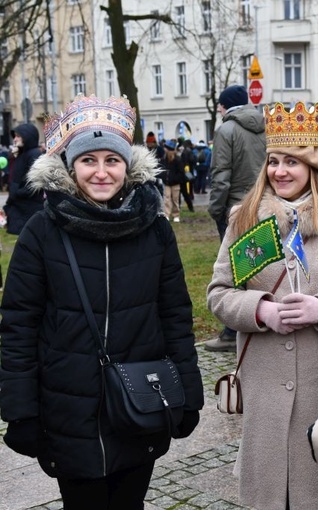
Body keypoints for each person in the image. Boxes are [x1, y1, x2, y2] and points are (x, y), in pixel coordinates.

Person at [0, 95, 204, 509]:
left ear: (127, 165)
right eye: (88, 160)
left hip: (139, 402)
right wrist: (20, 409)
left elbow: (175, 315)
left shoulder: (154, 228)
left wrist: (189, 393)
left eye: (112, 159)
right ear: (71, 167)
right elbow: (18, 324)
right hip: (68, 408)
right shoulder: (41, 232)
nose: (101, 171)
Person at [206, 101, 318, 510]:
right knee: (269, 496)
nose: (279, 171)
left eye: (292, 163)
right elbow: (219, 293)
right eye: (273, 161)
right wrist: (260, 309)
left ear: (314, 168)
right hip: (264, 381)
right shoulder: (244, 220)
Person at [206, 84, 267, 352]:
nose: (218, 109)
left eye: (220, 104)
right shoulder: (265, 127)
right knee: (260, 263)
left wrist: (216, 209)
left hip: (235, 206)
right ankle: (260, 318)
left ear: (225, 105)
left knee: (235, 267)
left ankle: (233, 330)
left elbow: (221, 174)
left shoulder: (226, 130)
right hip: (265, 203)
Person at [4, 123, 44, 235]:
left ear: (28, 136)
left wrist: (18, 193)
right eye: (15, 136)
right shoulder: (22, 154)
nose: (15, 139)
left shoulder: (34, 154)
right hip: (21, 206)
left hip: (29, 207)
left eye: (18, 136)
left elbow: (36, 182)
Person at [161, 139, 185, 223]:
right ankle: (166, 214)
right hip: (166, 183)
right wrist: (164, 177)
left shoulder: (177, 160)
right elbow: (162, 169)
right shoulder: (164, 159)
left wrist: (175, 179)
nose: (164, 150)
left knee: (175, 199)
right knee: (166, 199)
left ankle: (176, 215)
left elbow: (181, 172)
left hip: (175, 183)